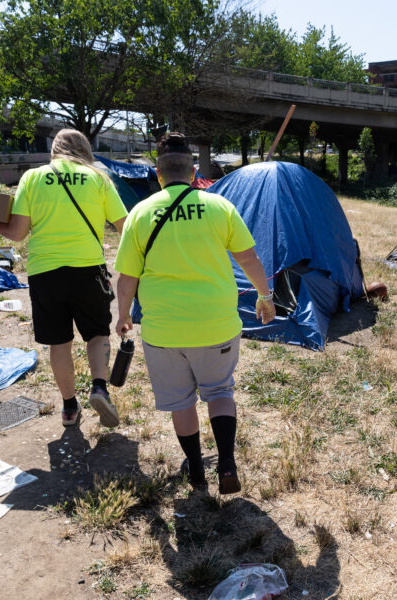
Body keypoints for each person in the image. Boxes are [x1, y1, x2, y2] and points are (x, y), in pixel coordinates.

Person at [113, 132, 275, 494]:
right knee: (219, 391)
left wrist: (123, 315)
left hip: (164, 331)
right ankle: (228, 463)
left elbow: (127, 278)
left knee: (182, 402)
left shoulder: (140, 213)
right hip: (216, 324)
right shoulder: (219, 207)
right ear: (193, 171)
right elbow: (248, 258)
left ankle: (198, 471)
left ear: (158, 174)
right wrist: (265, 295)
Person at [0, 129, 127, 428]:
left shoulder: (33, 177)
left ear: (54, 150)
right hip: (88, 269)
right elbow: (124, 225)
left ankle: (68, 408)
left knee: (59, 343)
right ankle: (100, 388)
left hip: (44, 272)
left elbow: (17, 233)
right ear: (85, 150)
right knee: (97, 333)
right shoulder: (98, 178)